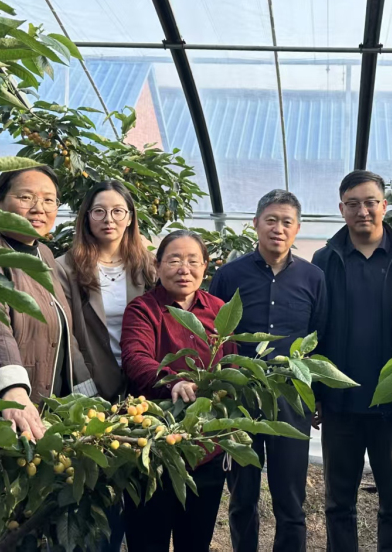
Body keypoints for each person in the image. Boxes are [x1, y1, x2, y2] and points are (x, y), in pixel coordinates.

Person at [0, 167, 97, 547]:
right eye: (26, 197)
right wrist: (11, 389)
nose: (39, 208)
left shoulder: (43, 254)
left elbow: (64, 334)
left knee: (21, 527)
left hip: (35, 418)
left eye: (49, 200)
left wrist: (88, 402)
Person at [209, 189, 327, 552]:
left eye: (286, 222)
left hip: (291, 400)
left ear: (297, 228)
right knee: (242, 495)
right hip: (240, 399)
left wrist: (317, 396)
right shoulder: (229, 275)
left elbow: (320, 337)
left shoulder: (313, 278)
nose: (278, 228)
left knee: (290, 497)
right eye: (271, 220)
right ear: (256, 223)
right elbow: (215, 336)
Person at [312, 170, 392, 552]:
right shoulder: (325, 259)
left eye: (370, 202)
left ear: (384, 206)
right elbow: (316, 329)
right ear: (341, 208)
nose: (362, 211)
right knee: (338, 501)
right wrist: (316, 391)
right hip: (340, 403)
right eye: (353, 204)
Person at [120, 229, 237, 552]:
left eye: (192, 261)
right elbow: (135, 358)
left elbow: (231, 364)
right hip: (151, 444)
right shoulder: (143, 309)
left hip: (204, 447)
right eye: (174, 260)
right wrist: (174, 381)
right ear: (157, 266)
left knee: (195, 542)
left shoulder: (219, 310)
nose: (184, 269)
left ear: (205, 266)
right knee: (147, 541)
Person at [57, 179, 155, 552]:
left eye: (117, 211)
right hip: (91, 386)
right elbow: (66, 332)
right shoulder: (66, 268)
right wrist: (84, 386)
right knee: (96, 477)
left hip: (140, 386)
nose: (108, 219)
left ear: (130, 218)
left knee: (137, 473)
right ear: (86, 217)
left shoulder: (147, 266)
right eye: (99, 211)